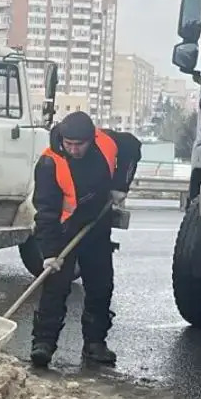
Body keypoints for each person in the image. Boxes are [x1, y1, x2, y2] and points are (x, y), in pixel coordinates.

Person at [29, 110, 141, 369]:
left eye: (79, 145)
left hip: (96, 225)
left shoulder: (107, 141)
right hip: (64, 229)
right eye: (69, 144)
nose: (74, 149)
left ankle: (95, 343)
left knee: (101, 284)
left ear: (91, 139)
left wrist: (120, 185)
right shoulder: (49, 163)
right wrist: (48, 253)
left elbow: (132, 147)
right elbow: (45, 211)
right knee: (55, 285)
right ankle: (43, 343)